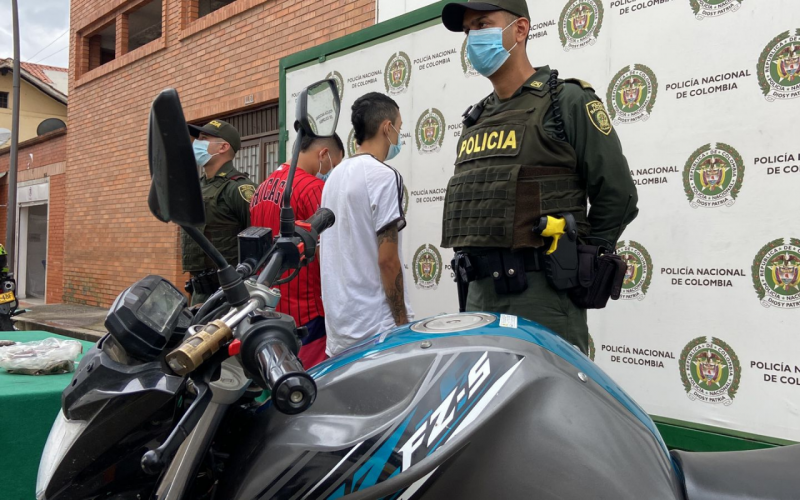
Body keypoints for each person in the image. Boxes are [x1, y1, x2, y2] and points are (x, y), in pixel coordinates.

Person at [440, 0, 639, 354]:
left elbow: (618, 194)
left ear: (520, 30)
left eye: (483, 25)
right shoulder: (476, 119)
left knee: (548, 406)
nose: (472, 39)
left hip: (543, 300)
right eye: (468, 31)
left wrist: (585, 260)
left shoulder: (568, 101)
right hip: (478, 298)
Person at [320, 92, 414, 357]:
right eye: (399, 127)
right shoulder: (384, 176)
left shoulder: (333, 176)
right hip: (376, 329)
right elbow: (387, 261)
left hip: (341, 328)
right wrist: (403, 325)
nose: (399, 136)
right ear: (387, 127)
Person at [250, 134, 344, 368]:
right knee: (310, 387)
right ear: (323, 154)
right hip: (307, 313)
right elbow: (328, 253)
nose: (332, 171)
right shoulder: (314, 187)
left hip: (269, 308)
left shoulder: (261, 188)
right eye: (335, 163)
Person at [182, 120, 257, 305]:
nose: (197, 143)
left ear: (223, 147)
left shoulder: (239, 188)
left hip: (228, 297)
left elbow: (257, 244)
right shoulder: (196, 187)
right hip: (198, 293)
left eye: (204, 138)